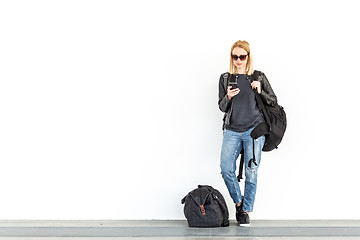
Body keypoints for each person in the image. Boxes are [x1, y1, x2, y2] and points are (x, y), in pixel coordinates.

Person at [218, 40, 277, 226]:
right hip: (232, 130)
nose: (238, 60)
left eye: (242, 56)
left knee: (251, 172)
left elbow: (273, 101)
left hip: (254, 130)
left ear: (248, 57)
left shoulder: (258, 76)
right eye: (235, 56)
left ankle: (245, 211)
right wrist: (228, 97)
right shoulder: (226, 78)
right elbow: (221, 107)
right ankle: (239, 202)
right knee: (226, 169)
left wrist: (260, 91)